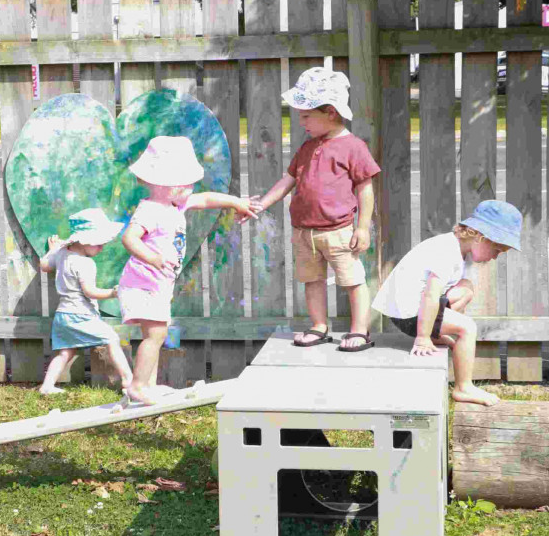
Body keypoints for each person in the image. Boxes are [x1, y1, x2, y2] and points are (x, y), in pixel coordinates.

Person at [118, 135, 260, 405]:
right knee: (156, 334)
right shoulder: (149, 210)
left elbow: (206, 199)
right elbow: (129, 239)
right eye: (187, 185)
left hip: (157, 285)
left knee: (155, 334)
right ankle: (137, 386)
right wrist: (154, 258)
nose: (192, 188)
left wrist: (235, 202)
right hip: (141, 283)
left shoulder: (176, 204)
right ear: (169, 187)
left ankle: (147, 385)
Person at [251, 68, 381, 351]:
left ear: (331, 112)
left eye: (307, 114)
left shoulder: (353, 147)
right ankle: (319, 327)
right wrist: (262, 204)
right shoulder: (308, 147)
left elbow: (365, 189)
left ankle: (359, 331)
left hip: (339, 232)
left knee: (353, 281)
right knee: (312, 280)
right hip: (303, 233)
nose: (301, 121)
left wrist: (362, 227)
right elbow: (289, 180)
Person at [372, 199, 523, 407]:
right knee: (468, 328)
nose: (495, 257)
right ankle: (463, 387)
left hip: (414, 308)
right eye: (497, 250)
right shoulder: (446, 252)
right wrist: (423, 337)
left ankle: (440, 331)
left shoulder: (451, 246)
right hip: (408, 314)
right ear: (480, 237)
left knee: (466, 286)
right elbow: (430, 296)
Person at [39, 208, 132, 395]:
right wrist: (113, 293)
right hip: (79, 314)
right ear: (84, 240)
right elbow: (90, 292)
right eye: (99, 244)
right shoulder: (86, 264)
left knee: (66, 352)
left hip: (63, 315)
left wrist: (52, 250)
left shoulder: (62, 254)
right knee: (112, 339)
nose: (102, 248)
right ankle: (128, 380)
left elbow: (44, 266)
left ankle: (47, 386)